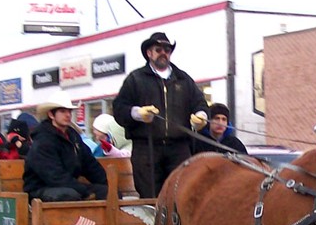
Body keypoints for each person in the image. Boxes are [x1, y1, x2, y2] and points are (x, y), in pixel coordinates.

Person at [113, 31, 209, 198]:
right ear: (149, 53)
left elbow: (200, 103)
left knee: (182, 196)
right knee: (151, 199)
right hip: (147, 149)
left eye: (167, 49)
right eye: (159, 49)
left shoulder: (183, 79)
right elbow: (119, 109)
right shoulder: (136, 79)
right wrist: (138, 114)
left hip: (179, 148)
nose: (164, 53)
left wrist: (201, 117)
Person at [22, 92, 108, 202]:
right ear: (51, 115)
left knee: (108, 192)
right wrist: (83, 190)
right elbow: (53, 176)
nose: (68, 115)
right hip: (40, 189)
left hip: (67, 186)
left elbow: (89, 164)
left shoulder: (73, 136)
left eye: (69, 111)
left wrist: (108, 184)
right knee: (69, 195)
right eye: (63, 111)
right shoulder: (43, 140)